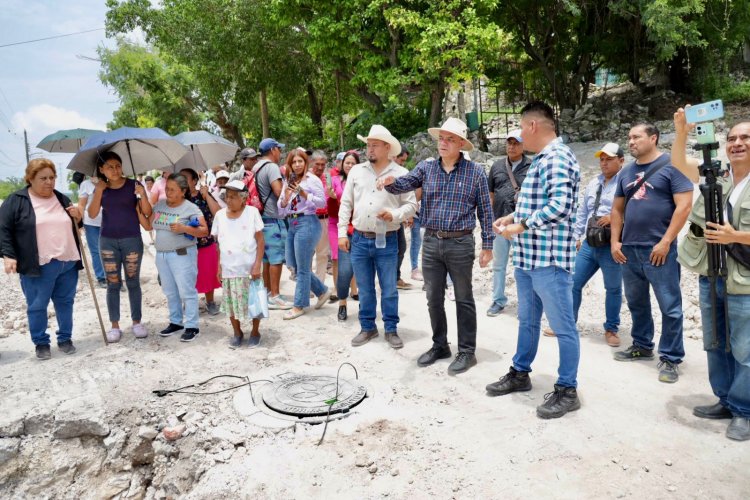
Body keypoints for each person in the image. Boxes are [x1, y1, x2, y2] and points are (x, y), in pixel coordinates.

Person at [485, 101, 582, 419]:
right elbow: (535, 204)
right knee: (527, 322)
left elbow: (561, 205)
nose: (519, 137)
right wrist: (510, 217)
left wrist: (521, 225)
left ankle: (568, 389)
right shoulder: (542, 158)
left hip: (549, 260)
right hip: (528, 258)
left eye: (520, 128)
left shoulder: (556, 156)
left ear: (533, 126)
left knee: (563, 328)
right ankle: (520, 372)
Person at [381, 117, 493, 374]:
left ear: (461, 144)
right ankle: (439, 345)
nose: (443, 143)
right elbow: (404, 183)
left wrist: (488, 245)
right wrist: (389, 182)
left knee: (464, 298)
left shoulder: (475, 172)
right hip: (431, 241)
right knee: (433, 298)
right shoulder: (426, 168)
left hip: (461, 242)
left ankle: (467, 351)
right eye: (441, 138)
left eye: (449, 139)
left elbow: (486, 211)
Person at [673, 108, 750, 440]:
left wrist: (736, 236)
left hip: (744, 280)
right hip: (712, 274)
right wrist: (680, 131)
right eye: (731, 138)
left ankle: (744, 411)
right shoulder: (715, 175)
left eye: (745, 137)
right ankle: (725, 400)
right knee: (715, 342)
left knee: (745, 348)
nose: (737, 143)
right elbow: (678, 163)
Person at [610, 123, 693, 383]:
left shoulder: (672, 166)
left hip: (659, 249)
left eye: (636, 137)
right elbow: (617, 210)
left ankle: (670, 357)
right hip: (629, 249)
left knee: (670, 306)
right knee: (636, 302)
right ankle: (642, 345)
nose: (631, 141)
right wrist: (615, 242)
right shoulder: (626, 172)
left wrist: (667, 241)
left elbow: (684, 205)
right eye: (629, 137)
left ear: (653, 138)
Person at [339, 125, 417, 349]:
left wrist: (395, 214)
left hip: (388, 237)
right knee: (364, 287)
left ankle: (391, 329)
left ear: (387, 147)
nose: (369, 149)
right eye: (368, 145)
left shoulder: (401, 174)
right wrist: (342, 233)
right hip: (360, 239)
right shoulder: (356, 171)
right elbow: (346, 204)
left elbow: (411, 204)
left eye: (374, 145)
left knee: (389, 287)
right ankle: (368, 327)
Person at [0, 158, 83, 360]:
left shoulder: (61, 198)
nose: (49, 182)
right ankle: (41, 342)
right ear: (30, 179)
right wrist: (8, 255)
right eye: (43, 178)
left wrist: (78, 217)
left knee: (65, 302)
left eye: (52, 177)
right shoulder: (17, 200)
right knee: (37, 305)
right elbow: (3, 229)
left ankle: (65, 338)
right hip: (39, 265)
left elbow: (76, 226)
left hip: (67, 261)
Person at [88, 152, 152, 343]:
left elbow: (147, 212)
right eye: (109, 166)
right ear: (101, 170)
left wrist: (142, 196)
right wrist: (99, 191)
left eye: (117, 165)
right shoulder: (101, 188)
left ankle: (137, 322)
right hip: (107, 241)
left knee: (133, 282)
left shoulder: (134, 185)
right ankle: (114, 326)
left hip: (132, 239)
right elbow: (91, 214)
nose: (115, 170)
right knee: (113, 284)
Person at [571, 143, 625, 346]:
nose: (604, 163)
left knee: (612, 288)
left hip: (612, 244)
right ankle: (568, 324)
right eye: (602, 159)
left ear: (621, 161)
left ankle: (611, 329)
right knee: (574, 283)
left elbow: (635, 209)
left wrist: (614, 217)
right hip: (590, 243)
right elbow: (582, 212)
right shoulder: (593, 182)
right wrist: (577, 236)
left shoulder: (626, 183)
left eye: (609, 159)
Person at [144, 174, 208, 342]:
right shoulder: (160, 205)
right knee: (170, 291)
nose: (168, 192)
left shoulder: (190, 208)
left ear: (183, 191)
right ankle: (176, 322)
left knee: (187, 290)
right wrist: (140, 201)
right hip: (162, 255)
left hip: (182, 254)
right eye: (167, 189)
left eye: (172, 190)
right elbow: (148, 225)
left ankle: (192, 325)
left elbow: (204, 230)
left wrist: (184, 228)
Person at [277, 150, 331, 320]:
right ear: (290, 164)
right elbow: (281, 208)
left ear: (306, 162)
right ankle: (322, 291)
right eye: (294, 162)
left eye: (300, 161)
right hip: (292, 223)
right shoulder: (289, 181)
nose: (297, 164)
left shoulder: (312, 180)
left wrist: (304, 193)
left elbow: (322, 202)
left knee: (302, 268)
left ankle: (299, 305)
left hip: (307, 222)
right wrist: (285, 198)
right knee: (293, 264)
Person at [212, 180, 265, 348]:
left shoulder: (252, 212)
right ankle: (237, 332)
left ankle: (255, 332)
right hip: (229, 268)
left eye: (233, 197)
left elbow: (260, 241)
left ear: (243, 198)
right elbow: (218, 244)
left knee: (254, 302)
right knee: (231, 303)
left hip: (249, 267)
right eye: (227, 197)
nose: (229, 200)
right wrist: (218, 267)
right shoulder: (220, 215)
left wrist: (257, 264)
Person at [486, 130, 531, 316]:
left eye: (516, 143)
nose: (511, 146)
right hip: (499, 223)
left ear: (523, 145)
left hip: (520, 225)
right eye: (509, 143)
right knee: (498, 265)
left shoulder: (532, 166)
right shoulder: (496, 166)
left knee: (523, 266)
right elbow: (490, 195)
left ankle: (526, 305)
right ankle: (498, 300)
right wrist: (489, 220)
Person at [253, 139, 291, 310]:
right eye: (279, 149)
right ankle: (275, 296)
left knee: (267, 259)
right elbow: (278, 191)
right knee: (276, 259)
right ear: (273, 149)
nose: (280, 153)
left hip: (261, 219)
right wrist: (290, 189)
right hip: (273, 218)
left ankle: (268, 293)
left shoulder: (256, 167)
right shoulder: (272, 167)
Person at [180, 168, 222, 315]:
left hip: (205, 242)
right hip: (184, 244)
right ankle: (189, 303)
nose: (182, 181)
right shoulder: (178, 199)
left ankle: (210, 301)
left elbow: (218, 213)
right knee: (186, 275)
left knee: (208, 272)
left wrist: (207, 196)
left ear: (194, 181)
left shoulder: (203, 194)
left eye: (185, 178)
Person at [333, 151, 361, 321]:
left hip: (362, 230)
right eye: (347, 162)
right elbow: (338, 200)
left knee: (363, 270)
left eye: (353, 163)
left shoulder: (364, 181)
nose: (349, 166)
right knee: (344, 270)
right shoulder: (337, 181)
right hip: (345, 230)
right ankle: (342, 302)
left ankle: (363, 303)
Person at [77, 175, 106, 287]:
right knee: (96, 251)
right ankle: (101, 277)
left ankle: (113, 276)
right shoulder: (86, 184)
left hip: (110, 221)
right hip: (91, 223)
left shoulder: (110, 183)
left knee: (111, 250)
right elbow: (81, 205)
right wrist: (79, 222)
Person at [309, 151, 332, 285]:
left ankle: (319, 285)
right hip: (309, 218)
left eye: (323, 164)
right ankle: (308, 285)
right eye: (317, 164)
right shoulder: (305, 178)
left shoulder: (327, 178)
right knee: (307, 255)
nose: (320, 167)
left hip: (324, 219)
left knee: (322, 254)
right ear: (311, 163)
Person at [393, 144, 414, 289]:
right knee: (397, 248)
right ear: (394, 156)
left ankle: (395, 277)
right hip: (388, 219)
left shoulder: (401, 172)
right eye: (402, 160)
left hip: (398, 217)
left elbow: (406, 198)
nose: (403, 164)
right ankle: (392, 278)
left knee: (400, 247)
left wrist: (408, 214)